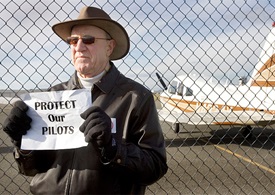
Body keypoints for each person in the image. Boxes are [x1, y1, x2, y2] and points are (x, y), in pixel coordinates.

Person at [3, 6, 168, 194]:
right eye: (73, 41)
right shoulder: (51, 97)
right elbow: (31, 168)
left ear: (109, 47)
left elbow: (155, 167)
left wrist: (113, 148)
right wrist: (24, 144)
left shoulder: (136, 98)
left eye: (88, 40)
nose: (79, 47)